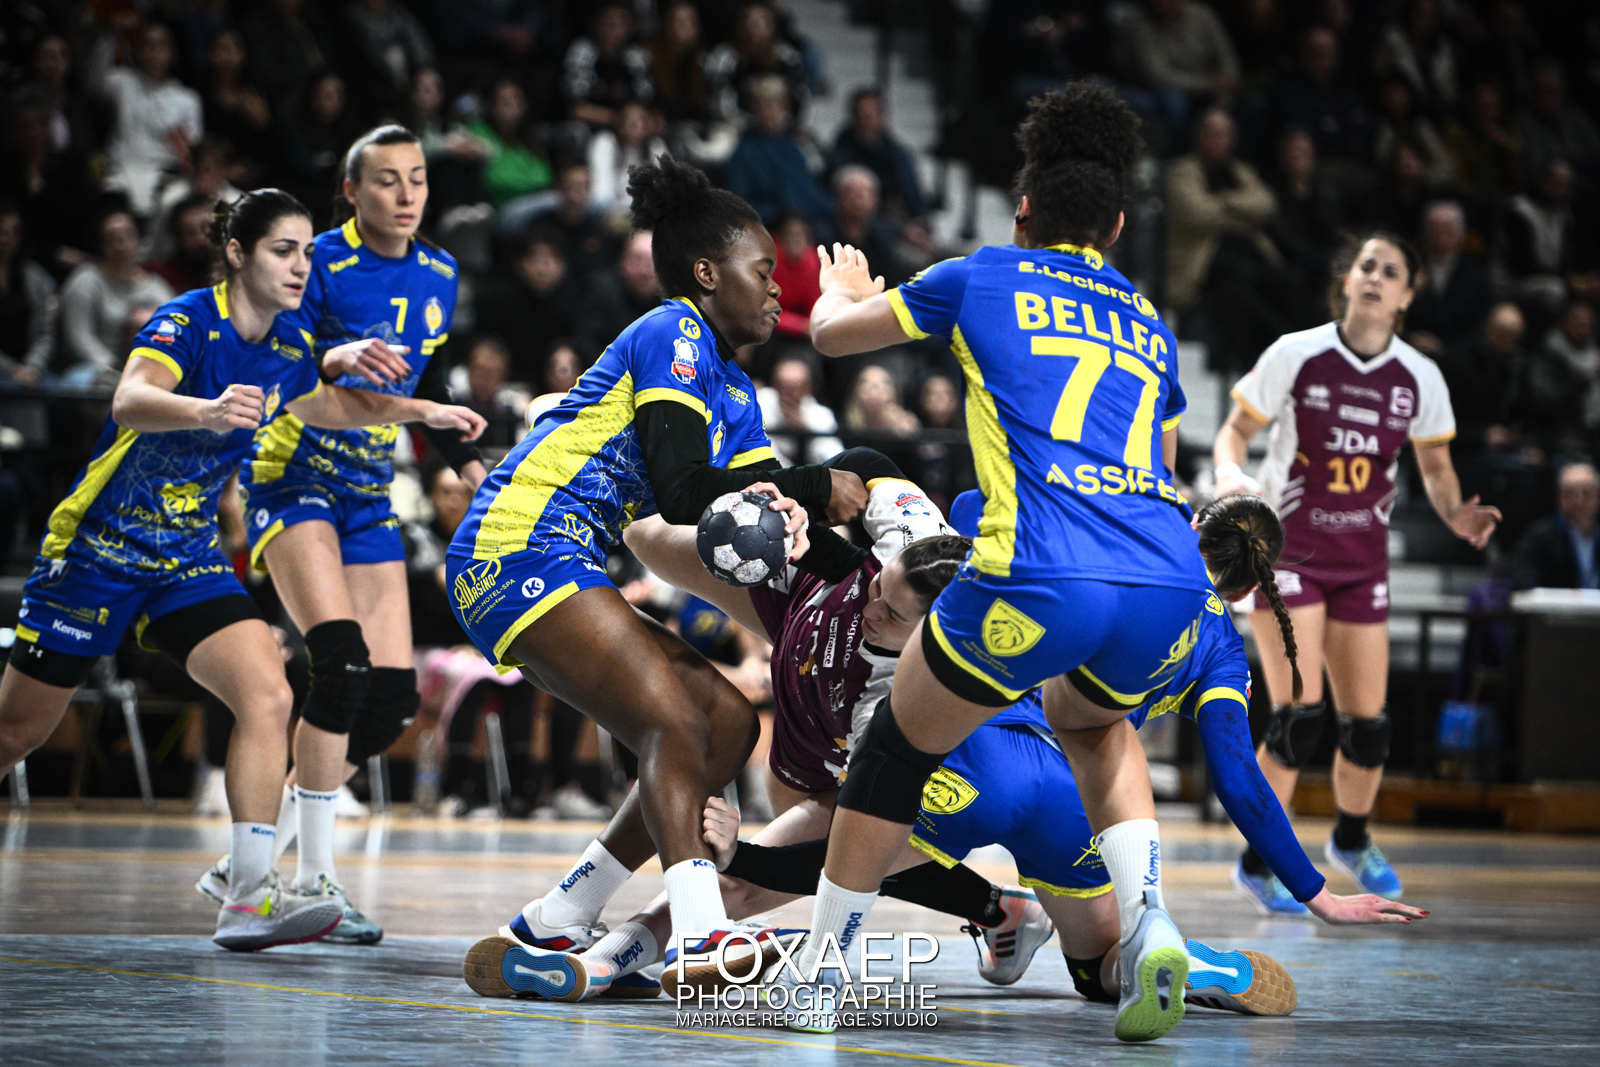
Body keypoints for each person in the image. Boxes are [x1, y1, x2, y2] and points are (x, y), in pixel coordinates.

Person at [797, 84, 1219, 1043]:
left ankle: (819, 976)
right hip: (1166, 578)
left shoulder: (982, 275)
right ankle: (1152, 919)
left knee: (894, 750)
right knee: (1097, 726)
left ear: (1021, 212)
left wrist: (844, 289)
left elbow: (828, 338)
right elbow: (1160, 465)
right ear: (1116, 227)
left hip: (1042, 568)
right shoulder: (1150, 321)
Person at [0, 188, 479, 951]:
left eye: (306, 252)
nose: (300, 266)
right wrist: (207, 409)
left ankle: (248, 896)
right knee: (18, 731)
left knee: (268, 692)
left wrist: (424, 413)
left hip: (185, 559)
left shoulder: (289, 345)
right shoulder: (189, 319)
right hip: (98, 550)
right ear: (236, 253)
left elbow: (328, 406)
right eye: (282, 251)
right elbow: (129, 399)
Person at [445, 155, 867, 1000]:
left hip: (565, 558)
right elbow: (683, 491)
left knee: (726, 724)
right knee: (672, 721)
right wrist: (821, 484)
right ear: (707, 274)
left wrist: (871, 573)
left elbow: (772, 512)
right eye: (761, 270)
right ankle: (701, 934)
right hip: (515, 545)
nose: (776, 288)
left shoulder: (735, 391)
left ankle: (560, 914)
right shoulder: (672, 331)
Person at [194, 127, 488, 947]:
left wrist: (463, 458)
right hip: (293, 475)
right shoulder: (312, 259)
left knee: (389, 702)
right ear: (352, 191)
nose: (407, 194)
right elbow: (293, 370)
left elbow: (424, 375)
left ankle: (252, 860)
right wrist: (334, 355)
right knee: (342, 664)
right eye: (387, 180)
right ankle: (313, 880)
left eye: (418, 178)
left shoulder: (440, 270)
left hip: (366, 488)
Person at [1214, 231, 1500, 913]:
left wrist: (1457, 514)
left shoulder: (1419, 376)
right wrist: (1230, 474)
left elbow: (1435, 468)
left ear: (1407, 295)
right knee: (1297, 719)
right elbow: (1235, 430)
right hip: (1290, 556)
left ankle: (1351, 838)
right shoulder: (1296, 354)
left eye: (1391, 271)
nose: (1375, 276)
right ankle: (1259, 863)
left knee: (1369, 727)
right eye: (1367, 265)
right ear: (1347, 280)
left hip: (1362, 562)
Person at [58, 207, 175, 389]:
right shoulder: (86, 281)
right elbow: (79, 338)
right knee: (82, 380)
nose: (121, 244)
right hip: (96, 369)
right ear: (100, 243)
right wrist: (113, 369)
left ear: (139, 239)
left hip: (147, 368)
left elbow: (175, 330)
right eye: (111, 239)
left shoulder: (156, 285)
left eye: (128, 235)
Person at [100, 22, 203, 217]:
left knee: (181, 200)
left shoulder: (187, 99)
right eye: (147, 45)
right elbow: (93, 81)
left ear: (173, 54)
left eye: (161, 45)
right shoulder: (121, 82)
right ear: (137, 51)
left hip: (164, 176)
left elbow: (194, 148)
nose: (154, 52)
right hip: (120, 171)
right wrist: (110, 37)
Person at [723, 77, 831, 228]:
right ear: (754, 110)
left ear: (785, 107)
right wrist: (779, 214)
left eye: (775, 104)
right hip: (771, 227)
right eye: (763, 105)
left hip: (807, 222)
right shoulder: (745, 151)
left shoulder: (794, 145)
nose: (770, 111)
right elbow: (739, 202)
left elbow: (811, 191)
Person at [1405, 200, 1491, 356]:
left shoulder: (1476, 276)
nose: (1441, 236)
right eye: (1434, 230)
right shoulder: (1408, 268)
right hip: (1409, 348)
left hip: (1456, 355)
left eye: (1447, 230)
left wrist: (1444, 346)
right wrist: (1409, 338)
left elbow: (1477, 329)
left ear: (1461, 234)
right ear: (1424, 233)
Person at [1511, 462, 1600, 590]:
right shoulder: (1538, 536)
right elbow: (1524, 581)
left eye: (1586, 493)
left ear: (1598, 497)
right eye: (1570, 493)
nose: (1578, 501)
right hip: (1556, 603)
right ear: (1560, 497)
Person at [574, 231, 660, 364]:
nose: (643, 270)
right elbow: (587, 342)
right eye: (637, 260)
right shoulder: (602, 291)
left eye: (650, 262)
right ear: (623, 261)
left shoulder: (674, 297)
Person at [0, 204, 56, 385]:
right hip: (5, 370)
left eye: (13, 232)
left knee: (65, 388)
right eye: (2, 231)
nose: (6, 238)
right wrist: (12, 369)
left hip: (32, 370)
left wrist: (32, 367)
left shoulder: (35, 277)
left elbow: (45, 334)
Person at [758, 356, 843, 466]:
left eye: (797, 387)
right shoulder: (759, 405)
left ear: (809, 388)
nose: (790, 393)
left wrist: (805, 428)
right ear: (775, 386)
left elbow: (834, 456)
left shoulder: (822, 415)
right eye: (784, 386)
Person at [144, 194, 220, 295]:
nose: (200, 239)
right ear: (178, 236)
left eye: (206, 230)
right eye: (190, 233)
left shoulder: (235, 271)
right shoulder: (159, 275)